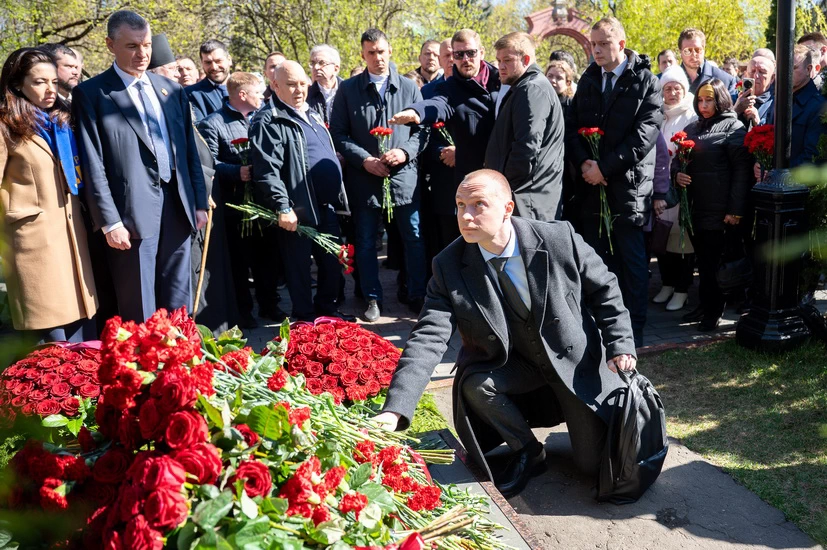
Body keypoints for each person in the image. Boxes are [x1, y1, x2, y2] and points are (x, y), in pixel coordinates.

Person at [373, 169, 639, 497]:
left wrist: (620, 344)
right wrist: (395, 408)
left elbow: (605, 288)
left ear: (507, 209)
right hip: (519, 364)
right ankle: (528, 449)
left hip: (572, 363)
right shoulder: (449, 264)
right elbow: (428, 336)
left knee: (590, 465)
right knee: (475, 383)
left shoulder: (558, 238)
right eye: (460, 205)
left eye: (478, 204)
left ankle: (580, 420)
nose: (465, 216)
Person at [73, 10, 208, 322]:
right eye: (132, 46)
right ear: (110, 45)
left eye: (146, 45)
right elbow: (93, 162)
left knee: (178, 303)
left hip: (178, 207)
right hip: (130, 215)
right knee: (140, 306)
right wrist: (109, 221)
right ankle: (141, 355)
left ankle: (180, 352)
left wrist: (199, 202)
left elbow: (189, 151)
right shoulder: (92, 94)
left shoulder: (171, 90)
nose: (142, 53)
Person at [566, 16, 662, 348]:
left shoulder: (646, 81)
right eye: (593, 44)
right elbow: (572, 126)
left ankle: (633, 333)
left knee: (631, 264)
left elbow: (644, 137)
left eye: (603, 43)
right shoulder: (589, 79)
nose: (596, 50)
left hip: (628, 189)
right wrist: (585, 163)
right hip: (592, 189)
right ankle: (603, 330)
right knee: (597, 263)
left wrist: (604, 168)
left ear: (621, 44)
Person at [0, 47, 97, 342]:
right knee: (51, 336)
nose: (50, 89)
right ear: (18, 85)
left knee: (81, 328)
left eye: (54, 81)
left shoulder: (60, 122)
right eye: (39, 82)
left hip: (71, 235)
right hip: (33, 242)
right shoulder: (5, 125)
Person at [330, 28, 426, 322]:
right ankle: (372, 297)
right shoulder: (348, 89)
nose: (377, 57)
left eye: (381, 51)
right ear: (363, 55)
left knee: (413, 237)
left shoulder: (409, 88)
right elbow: (339, 134)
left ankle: (417, 293)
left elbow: (422, 131)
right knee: (366, 240)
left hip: (403, 177)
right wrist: (364, 160)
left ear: (390, 51)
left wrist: (404, 152)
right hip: (365, 178)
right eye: (371, 52)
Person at [251, 61, 350, 322]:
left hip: (326, 205)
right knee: (299, 268)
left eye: (303, 84)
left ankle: (326, 312)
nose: (299, 90)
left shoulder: (311, 113)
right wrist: (282, 206)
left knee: (331, 261)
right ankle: (305, 319)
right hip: (298, 206)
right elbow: (267, 170)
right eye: (291, 85)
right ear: (275, 85)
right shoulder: (269, 119)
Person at [198, 71, 284, 327]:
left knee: (268, 258)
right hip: (235, 206)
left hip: (264, 203)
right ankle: (243, 311)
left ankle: (270, 305)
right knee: (239, 262)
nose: (263, 96)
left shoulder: (263, 118)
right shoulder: (213, 123)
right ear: (243, 94)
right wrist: (236, 172)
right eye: (258, 92)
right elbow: (208, 162)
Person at [674, 79, 752, 331]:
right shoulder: (692, 127)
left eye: (709, 100)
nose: (703, 105)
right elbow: (678, 161)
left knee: (715, 264)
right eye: (700, 100)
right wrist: (677, 174)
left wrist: (735, 210)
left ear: (720, 100)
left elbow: (742, 172)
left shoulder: (734, 127)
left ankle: (714, 311)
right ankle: (705, 306)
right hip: (696, 208)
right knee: (704, 264)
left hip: (721, 212)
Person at [390, 28, 501, 192]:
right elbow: (438, 104)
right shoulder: (449, 88)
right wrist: (415, 112)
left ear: (482, 53)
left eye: (470, 53)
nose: (465, 59)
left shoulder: (501, 81)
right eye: (459, 55)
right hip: (471, 177)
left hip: (502, 172)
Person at [485, 32, 565, 222]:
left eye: (507, 60)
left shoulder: (532, 89)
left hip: (527, 200)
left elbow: (527, 147)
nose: (501, 66)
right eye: (498, 60)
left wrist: (503, 185)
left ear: (526, 59)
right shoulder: (526, 86)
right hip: (527, 197)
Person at [652, 65, 697, 312]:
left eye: (677, 88)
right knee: (662, 235)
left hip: (681, 185)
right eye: (667, 88)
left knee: (682, 239)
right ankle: (667, 283)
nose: (672, 93)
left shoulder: (691, 114)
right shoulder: (658, 113)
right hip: (660, 184)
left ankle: (682, 289)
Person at [678, 28, 737, 95]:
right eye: (688, 51)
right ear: (680, 52)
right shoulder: (669, 79)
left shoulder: (725, 80)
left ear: (704, 50)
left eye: (697, 50)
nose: (693, 54)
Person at [186, 39, 232, 122]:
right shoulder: (191, 94)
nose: (214, 67)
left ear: (229, 60)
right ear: (202, 63)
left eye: (218, 61)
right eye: (208, 62)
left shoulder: (249, 86)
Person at [734, 55, 775, 132]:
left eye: (762, 72)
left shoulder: (776, 105)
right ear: (745, 74)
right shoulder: (732, 99)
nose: (756, 76)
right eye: (752, 71)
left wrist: (758, 123)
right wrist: (736, 110)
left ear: (772, 78)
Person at [307, 44, 343, 125]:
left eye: (321, 63)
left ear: (336, 69)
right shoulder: (306, 95)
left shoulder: (349, 92)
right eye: (313, 63)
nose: (316, 67)